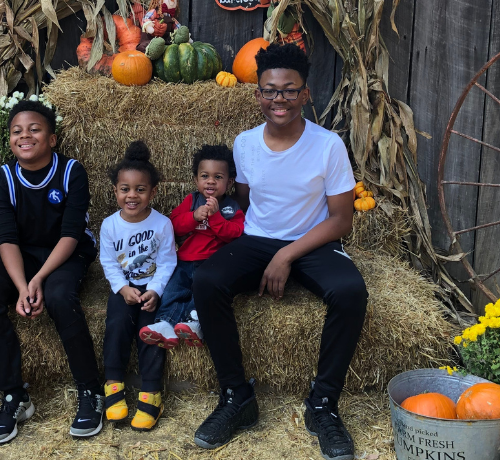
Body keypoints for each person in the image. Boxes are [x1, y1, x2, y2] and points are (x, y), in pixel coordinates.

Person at [191, 43, 368, 460]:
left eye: (289, 91)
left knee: (350, 292)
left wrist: (286, 255)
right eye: (270, 91)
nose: (279, 100)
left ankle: (323, 404)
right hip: (257, 240)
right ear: (258, 95)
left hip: (314, 240)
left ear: (306, 94)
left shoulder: (328, 146)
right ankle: (237, 397)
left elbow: (342, 220)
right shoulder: (245, 144)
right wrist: (267, 248)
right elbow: (251, 202)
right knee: (206, 281)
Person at [0, 100, 104, 444]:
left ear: (52, 138)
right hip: (21, 255)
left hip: (66, 252)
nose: (25, 136)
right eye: (17, 131)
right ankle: (15, 397)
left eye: (34, 129)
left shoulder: (71, 171)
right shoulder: (2, 177)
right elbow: (7, 238)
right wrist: (22, 286)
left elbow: (71, 234)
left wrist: (40, 279)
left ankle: (90, 391)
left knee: (60, 296)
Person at [99, 140, 178, 431]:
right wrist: (121, 289)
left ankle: (152, 392)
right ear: (116, 191)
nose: (132, 195)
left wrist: (155, 291)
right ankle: (113, 384)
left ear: (153, 192)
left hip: (151, 287)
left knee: (151, 333)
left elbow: (168, 261)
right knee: (117, 325)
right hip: (124, 287)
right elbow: (108, 263)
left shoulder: (162, 224)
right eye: (125, 189)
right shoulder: (109, 225)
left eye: (140, 189)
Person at [138, 144, 243, 349]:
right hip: (185, 260)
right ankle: (165, 324)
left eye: (218, 177)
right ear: (196, 180)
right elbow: (173, 225)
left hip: (212, 264)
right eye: (205, 176)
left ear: (229, 182)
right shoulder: (192, 200)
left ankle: (194, 324)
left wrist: (216, 219)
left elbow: (236, 234)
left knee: (200, 293)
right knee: (173, 290)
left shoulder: (231, 207)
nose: (211, 181)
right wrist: (193, 217)